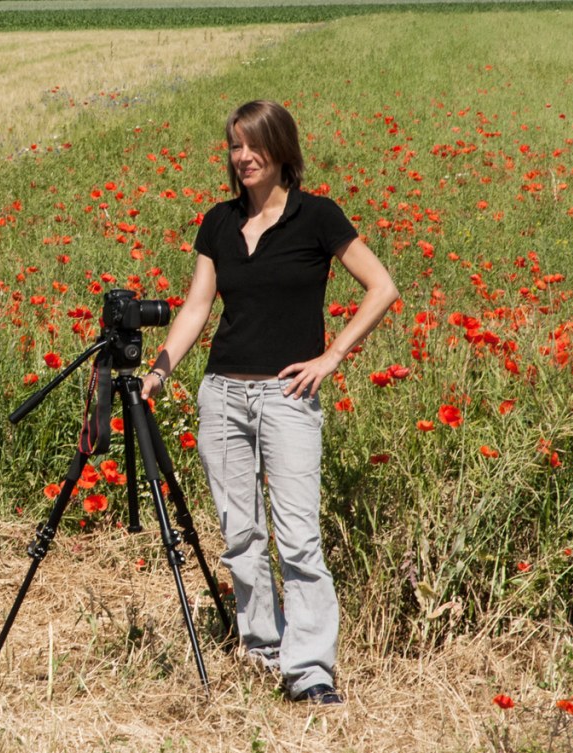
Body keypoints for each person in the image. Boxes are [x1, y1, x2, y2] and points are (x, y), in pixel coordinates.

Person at [141, 100, 398, 705]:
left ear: (282, 150)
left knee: (298, 538)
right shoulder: (219, 221)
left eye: (254, 145)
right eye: (235, 145)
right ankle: (261, 650)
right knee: (241, 535)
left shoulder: (317, 217)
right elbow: (198, 307)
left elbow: (383, 287)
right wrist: (161, 369)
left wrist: (331, 357)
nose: (244, 156)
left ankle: (309, 669)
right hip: (222, 394)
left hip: (287, 398)